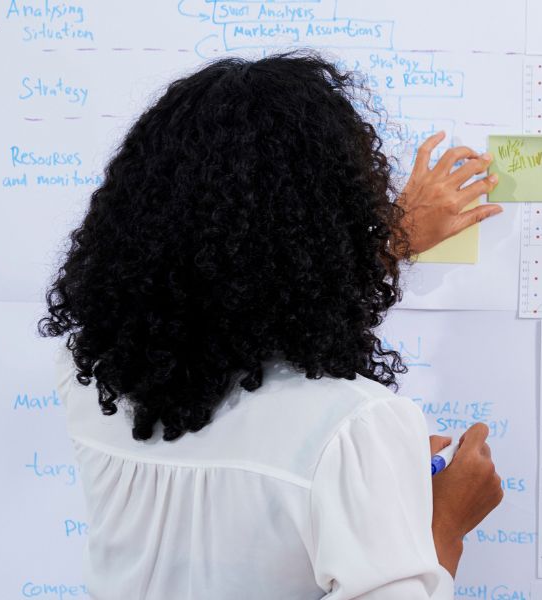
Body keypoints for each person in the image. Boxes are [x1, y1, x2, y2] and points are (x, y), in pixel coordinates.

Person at [40, 53, 507, 599]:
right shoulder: (353, 427)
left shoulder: (92, 376)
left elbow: (229, 294)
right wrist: (444, 524)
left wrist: (386, 244)